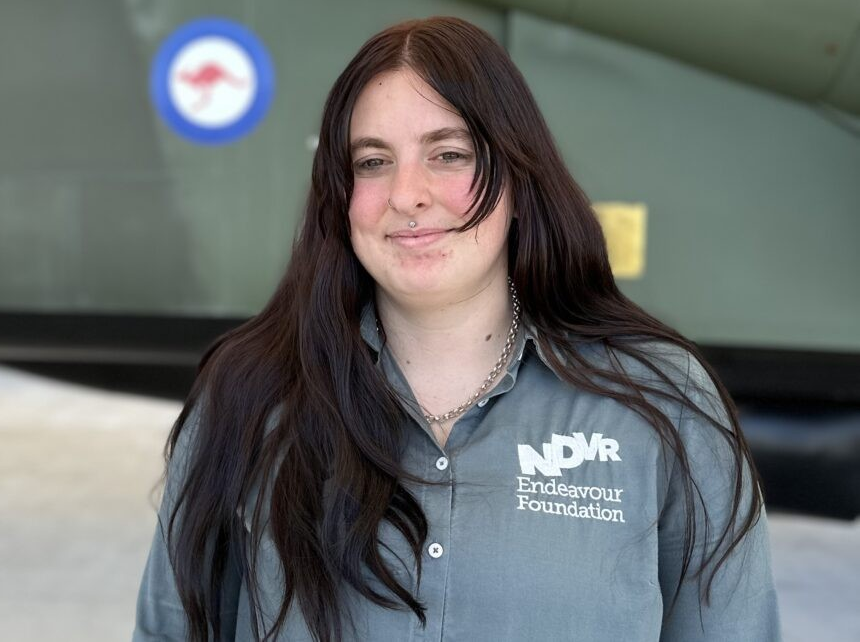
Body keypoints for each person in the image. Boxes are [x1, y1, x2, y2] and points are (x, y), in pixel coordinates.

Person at [133, 16, 780, 642]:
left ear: (520, 183)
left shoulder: (659, 402)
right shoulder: (249, 396)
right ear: (339, 194)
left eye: (448, 154)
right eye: (372, 162)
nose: (407, 195)